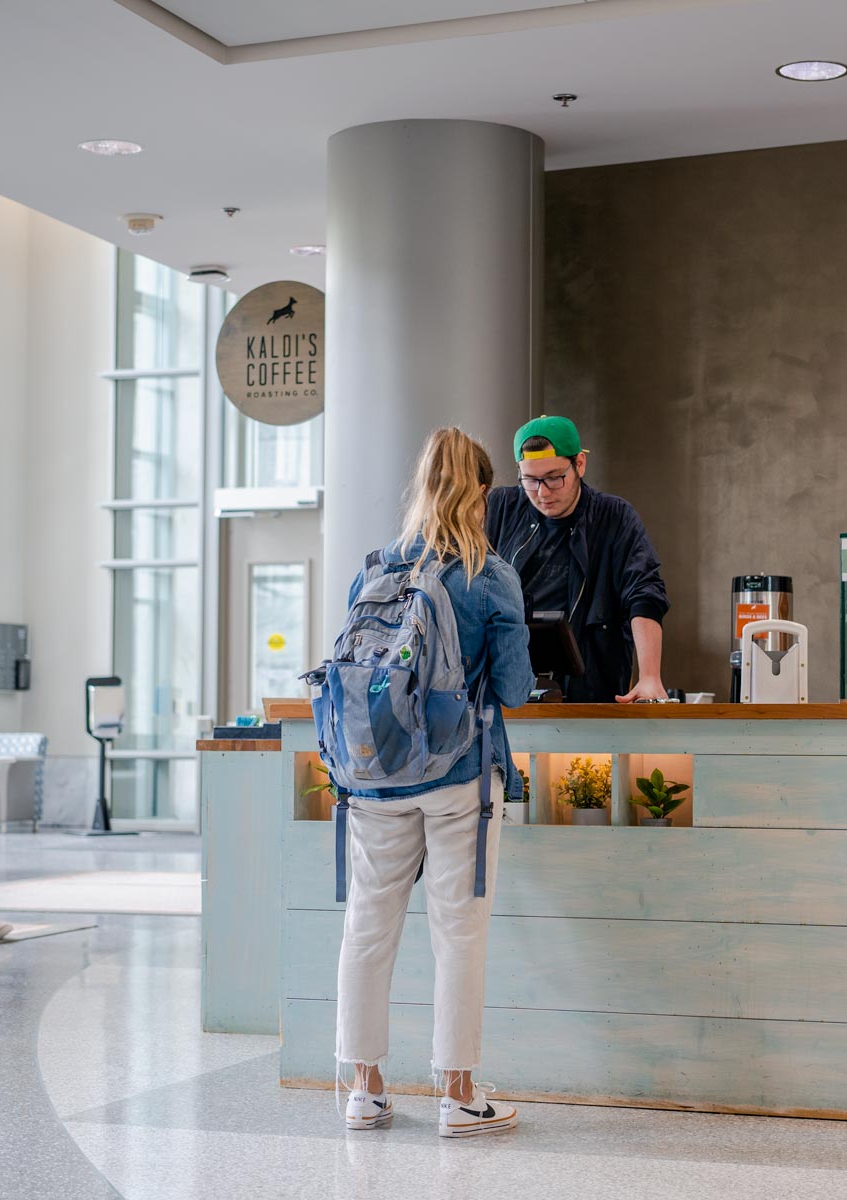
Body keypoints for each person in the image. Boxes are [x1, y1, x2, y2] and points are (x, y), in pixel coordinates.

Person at [333, 427, 535, 1138]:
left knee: (366, 927)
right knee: (458, 933)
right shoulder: (491, 574)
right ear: (478, 490)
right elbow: (513, 687)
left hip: (374, 776)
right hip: (459, 779)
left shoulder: (375, 571)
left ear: (422, 486)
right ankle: (457, 1093)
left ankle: (363, 1089)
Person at [484, 415, 670, 703]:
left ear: (579, 464)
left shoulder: (614, 517)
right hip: (509, 693)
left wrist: (649, 677)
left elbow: (644, 594)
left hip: (592, 694)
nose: (542, 493)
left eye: (555, 478)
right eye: (530, 480)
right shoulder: (500, 507)